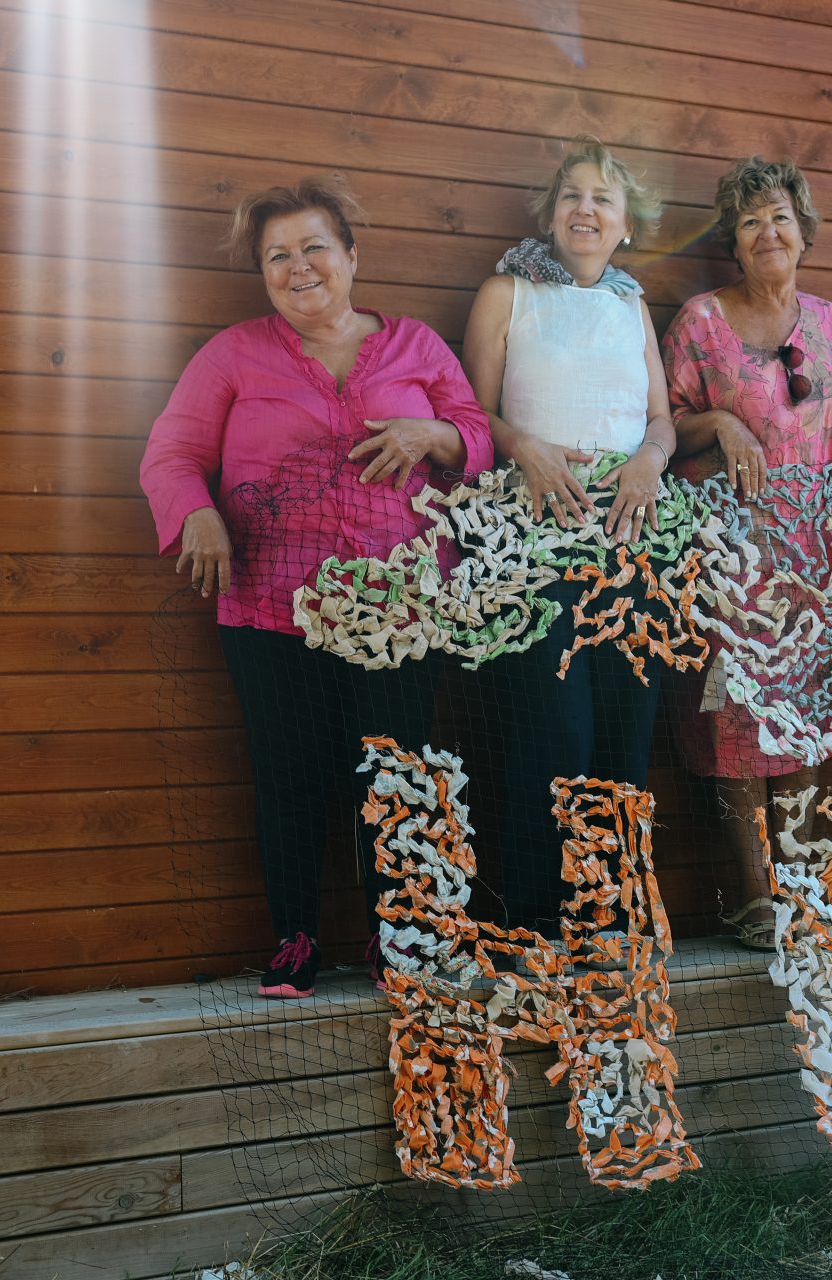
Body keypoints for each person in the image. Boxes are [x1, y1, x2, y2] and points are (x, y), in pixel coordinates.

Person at [139, 175, 494, 998]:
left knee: (397, 770)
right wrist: (196, 514)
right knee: (287, 771)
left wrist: (431, 432)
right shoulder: (232, 353)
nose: (299, 268)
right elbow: (170, 454)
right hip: (270, 605)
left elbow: (477, 435)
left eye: (314, 248)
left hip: (402, 608)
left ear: (350, 255)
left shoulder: (416, 347)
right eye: (278, 256)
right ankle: (295, 938)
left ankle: (399, 937)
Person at [459, 136, 678, 934]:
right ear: (551, 216)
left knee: (625, 731)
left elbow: (661, 420)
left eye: (604, 199)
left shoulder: (632, 304)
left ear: (626, 224)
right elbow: (471, 417)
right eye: (573, 196)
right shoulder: (506, 292)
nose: (586, 209)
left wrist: (652, 460)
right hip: (535, 537)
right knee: (556, 730)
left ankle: (610, 920)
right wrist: (526, 450)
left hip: (630, 538)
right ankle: (532, 920)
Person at [661, 157, 832, 947]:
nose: (768, 232)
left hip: (820, 557)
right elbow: (664, 422)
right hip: (732, 558)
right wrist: (717, 423)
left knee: (806, 721)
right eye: (751, 222)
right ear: (733, 240)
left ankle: (799, 881)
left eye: (780, 217)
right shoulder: (699, 322)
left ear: (804, 229)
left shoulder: (829, 320)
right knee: (733, 724)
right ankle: (753, 895)